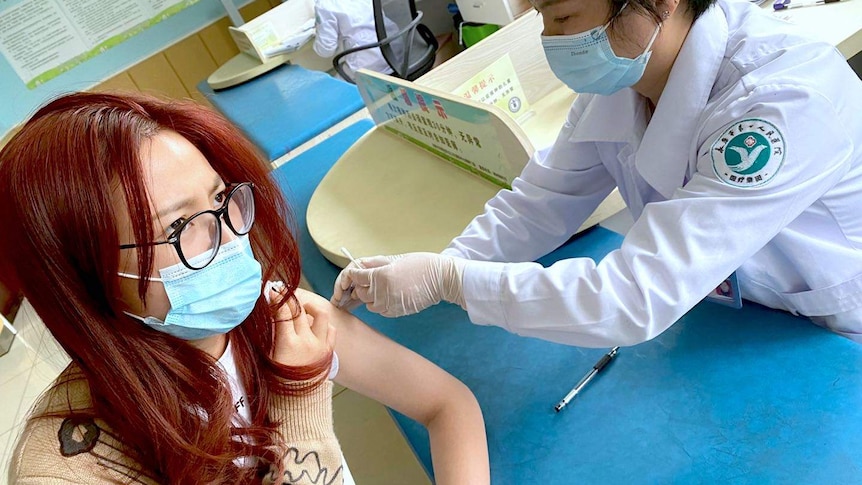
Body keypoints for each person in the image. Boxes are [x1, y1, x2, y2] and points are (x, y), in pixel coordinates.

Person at [1, 92, 489, 484]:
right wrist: (301, 402)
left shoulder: (273, 320)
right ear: (84, 277)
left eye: (219, 198)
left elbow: (448, 406)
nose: (230, 238)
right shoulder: (66, 465)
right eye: (178, 227)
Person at [332, 0, 862, 345]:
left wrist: (452, 282)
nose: (553, 41)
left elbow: (635, 294)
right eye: (542, 18)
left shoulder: (781, 103)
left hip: (830, 323)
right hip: (731, 309)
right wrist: (444, 264)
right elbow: (542, 200)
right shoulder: (623, 78)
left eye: (562, 18)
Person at [313, 0, 402, 80]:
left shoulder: (325, 5)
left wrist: (318, 29)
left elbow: (326, 50)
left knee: (331, 89)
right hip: (396, 55)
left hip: (369, 68)